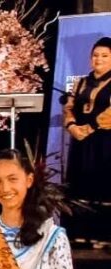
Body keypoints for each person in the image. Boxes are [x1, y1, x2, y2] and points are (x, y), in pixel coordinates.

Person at [64, 36, 111, 206]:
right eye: (95, 55)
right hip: (80, 142)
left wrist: (89, 128)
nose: (98, 59)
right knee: (79, 194)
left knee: (103, 191)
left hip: (105, 143)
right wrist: (71, 126)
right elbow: (69, 107)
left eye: (104, 55)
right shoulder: (80, 82)